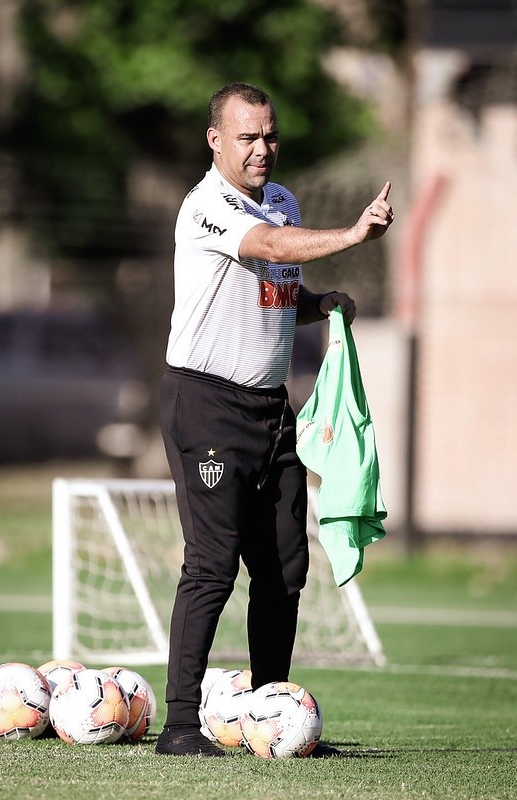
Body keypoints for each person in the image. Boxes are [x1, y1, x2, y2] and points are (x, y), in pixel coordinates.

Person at [155, 82, 394, 757]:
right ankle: (177, 725)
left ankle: (271, 718)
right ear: (215, 141)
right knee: (211, 564)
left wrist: (319, 304)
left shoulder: (281, 198)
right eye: (246, 137)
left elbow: (273, 286)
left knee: (285, 565)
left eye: (269, 135)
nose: (261, 148)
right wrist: (351, 234)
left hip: (268, 407)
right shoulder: (206, 207)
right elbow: (270, 248)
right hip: (205, 402)